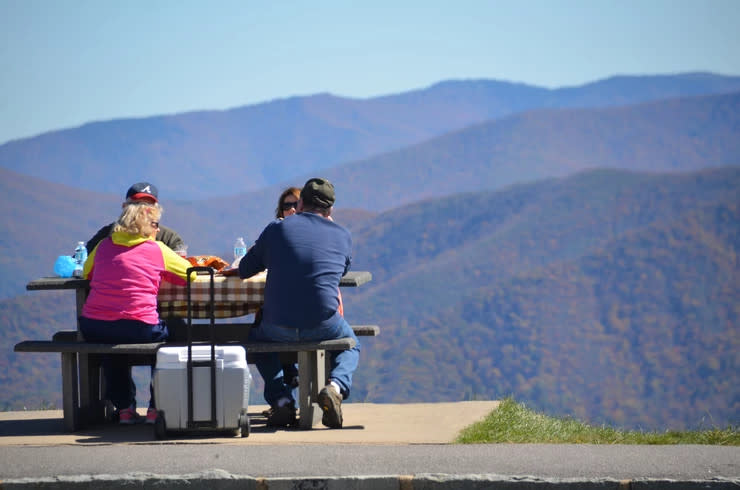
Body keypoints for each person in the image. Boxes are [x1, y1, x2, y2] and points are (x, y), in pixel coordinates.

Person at [238, 177, 359, 428]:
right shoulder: (343, 235)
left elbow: (246, 269)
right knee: (351, 344)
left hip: (277, 327)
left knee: (256, 339)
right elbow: (342, 268)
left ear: (301, 203)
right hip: (323, 323)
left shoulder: (277, 229)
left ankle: (281, 401)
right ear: (330, 210)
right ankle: (335, 388)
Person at [79, 200, 194, 425]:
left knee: (111, 345)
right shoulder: (157, 249)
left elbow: (86, 273)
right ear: (141, 224)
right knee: (174, 334)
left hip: (94, 326)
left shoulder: (103, 245)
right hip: (140, 326)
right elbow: (191, 274)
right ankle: (156, 406)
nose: (158, 229)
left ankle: (124, 408)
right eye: (154, 224)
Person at [86, 182, 185, 253]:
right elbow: (82, 262)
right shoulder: (106, 234)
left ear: (157, 209)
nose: (142, 209)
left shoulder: (169, 238)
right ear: (125, 207)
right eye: (137, 204)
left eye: (149, 205)